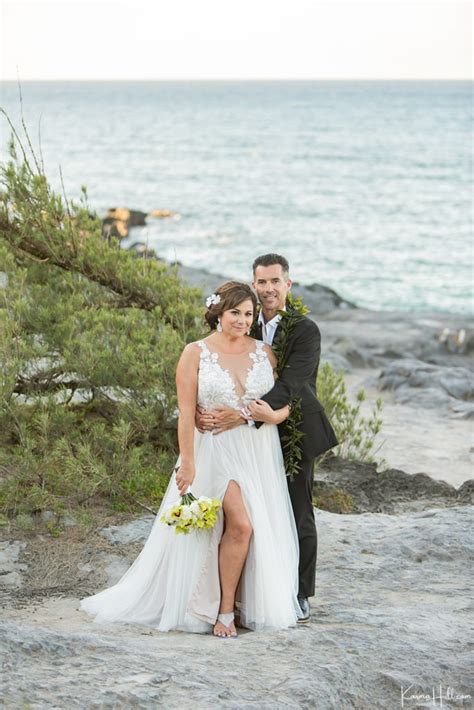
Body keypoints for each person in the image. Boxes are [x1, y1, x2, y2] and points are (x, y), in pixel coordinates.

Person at [80, 281, 301, 637]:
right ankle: (222, 610)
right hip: (214, 449)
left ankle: (234, 605)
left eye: (248, 314)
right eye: (235, 313)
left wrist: (273, 416)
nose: (243, 321)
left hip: (258, 451)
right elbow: (185, 413)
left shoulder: (265, 352)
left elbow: (284, 402)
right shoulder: (195, 353)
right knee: (239, 525)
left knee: (248, 529)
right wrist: (188, 461)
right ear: (218, 313)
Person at [196, 255, 338, 624]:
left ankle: (299, 592)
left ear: (288, 285)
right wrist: (204, 409)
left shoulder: (305, 330)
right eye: (262, 282)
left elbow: (293, 384)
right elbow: (224, 365)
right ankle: (247, 592)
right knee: (254, 513)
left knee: (295, 511)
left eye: (276, 281)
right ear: (254, 285)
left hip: (293, 432)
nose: (269, 288)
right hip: (245, 439)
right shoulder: (244, 321)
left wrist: (244, 414)